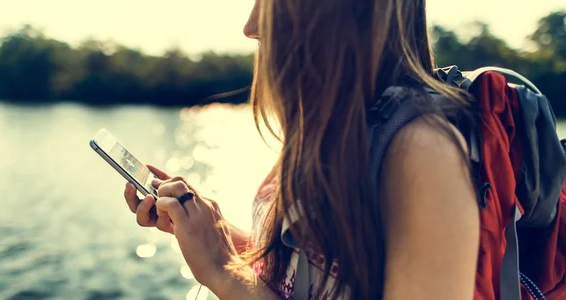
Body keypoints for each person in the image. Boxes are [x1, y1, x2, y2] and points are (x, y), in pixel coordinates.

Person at [123, 0, 481, 299]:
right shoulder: (327, 128)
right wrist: (212, 232)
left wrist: (221, 272)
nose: (252, 26)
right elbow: (305, 276)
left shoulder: (423, 153)